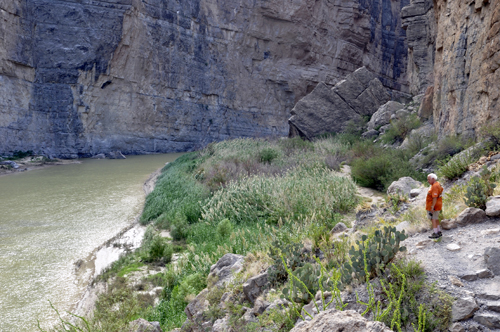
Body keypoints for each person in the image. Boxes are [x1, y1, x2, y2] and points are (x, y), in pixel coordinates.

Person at [426, 173, 444, 238]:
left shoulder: (435, 186)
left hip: (434, 206)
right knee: (436, 219)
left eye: (429, 179)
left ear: (433, 179)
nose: (428, 181)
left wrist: (432, 207)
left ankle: (436, 233)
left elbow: (435, 197)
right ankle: (438, 231)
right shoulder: (437, 184)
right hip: (437, 205)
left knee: (433, 219)